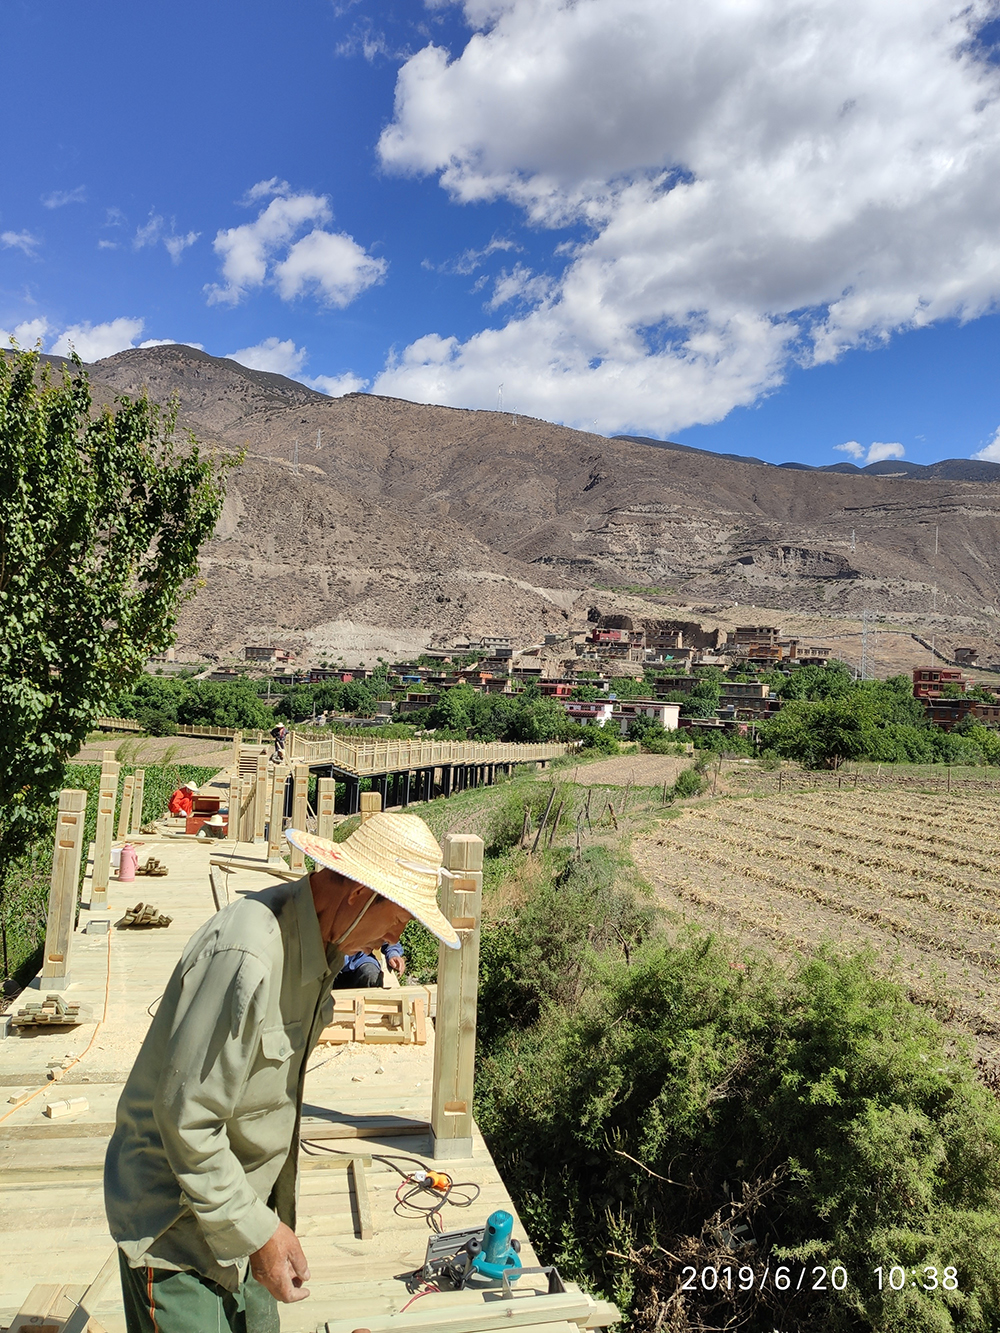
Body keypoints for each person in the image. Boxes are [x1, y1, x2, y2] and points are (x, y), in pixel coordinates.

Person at [104, 812, 459, 1333]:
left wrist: (265, 1223)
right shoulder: (247, 954)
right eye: (399, 923)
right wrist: (258, 1232)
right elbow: (186, 1120)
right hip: (175, 1228)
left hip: (241, 1210)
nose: (393, 940)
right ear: (361, 897)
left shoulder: (323, 946)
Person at [334, 940, 405, 988]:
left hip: (361, 959)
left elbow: (389, 939)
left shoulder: (374, 918)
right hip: (330, 964)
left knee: (372, 976)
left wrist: (393, 954)